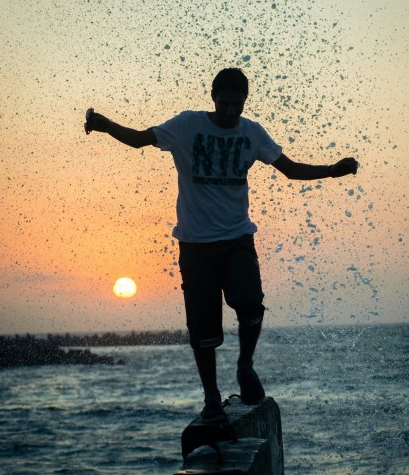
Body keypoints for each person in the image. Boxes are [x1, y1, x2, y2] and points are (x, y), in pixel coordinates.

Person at [84, 68, 358, 423]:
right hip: (196, 244)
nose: (230, 111)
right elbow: (139, 139)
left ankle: (246, 367)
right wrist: (106, 126)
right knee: (204, 329)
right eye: (225, 103)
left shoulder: (252, 132)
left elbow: (289, 170)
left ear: (245, 101)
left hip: (237, 238)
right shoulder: (187, 126)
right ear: (213, 97)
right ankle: (211, 397)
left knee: (250, 302)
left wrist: (331, 170)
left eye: (237, 105)